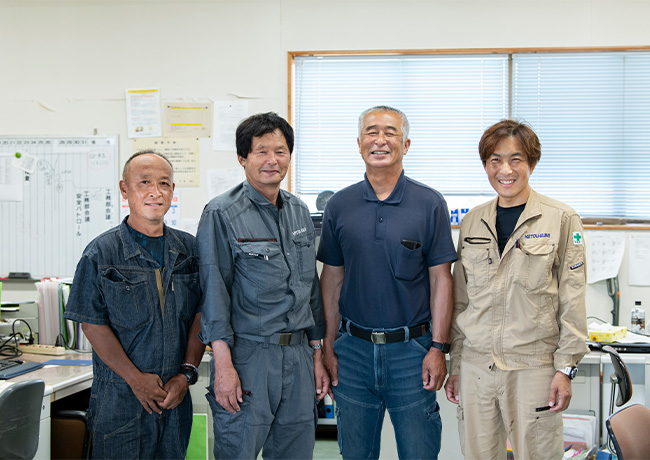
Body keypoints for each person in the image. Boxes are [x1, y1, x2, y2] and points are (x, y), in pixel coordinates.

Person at [318, 105, 457, 459]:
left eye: (390, 132)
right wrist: (328, 345)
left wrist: (438, 348)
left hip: (412, 353)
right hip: (353, 353)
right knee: (356, 454)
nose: (380, 140)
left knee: (419, 453)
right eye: (371, 131)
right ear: (359, 143)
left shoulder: (429, 203)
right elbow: (332, 279)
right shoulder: (339, 205)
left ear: (406, 144)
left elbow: (442, 279)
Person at [444, 120, 588, 459]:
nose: (505, 169)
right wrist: (458, 364)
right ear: (485, 165)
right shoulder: (472, 221)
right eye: (495, 160)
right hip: (477, 368)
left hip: (533, 366)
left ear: (531, 163)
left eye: (516, 159)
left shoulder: (561, 219)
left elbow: (573, 298)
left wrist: (565, 368)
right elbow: (462, 300)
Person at [197, 112, 328, 460]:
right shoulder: (221, 213)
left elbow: (309, 287)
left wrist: (317, 354)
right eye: (261, 151)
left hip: (299, 356)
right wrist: (222, 365)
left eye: (281, 151)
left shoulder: (299, 211)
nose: (273, 160)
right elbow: (214, 294)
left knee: (295, 453)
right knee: (237, 450)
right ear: (243, 158)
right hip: (249, 355)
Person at [64, 150, 205, 459]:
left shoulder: (190, 250)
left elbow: (200, 316)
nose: (156, 191)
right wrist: (135, 380)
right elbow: (92, 323)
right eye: (144, 182)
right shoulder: (101, 253)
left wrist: (186, 375)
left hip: (174, 397)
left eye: (164, 183)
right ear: (124, 189)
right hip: (120, 401)